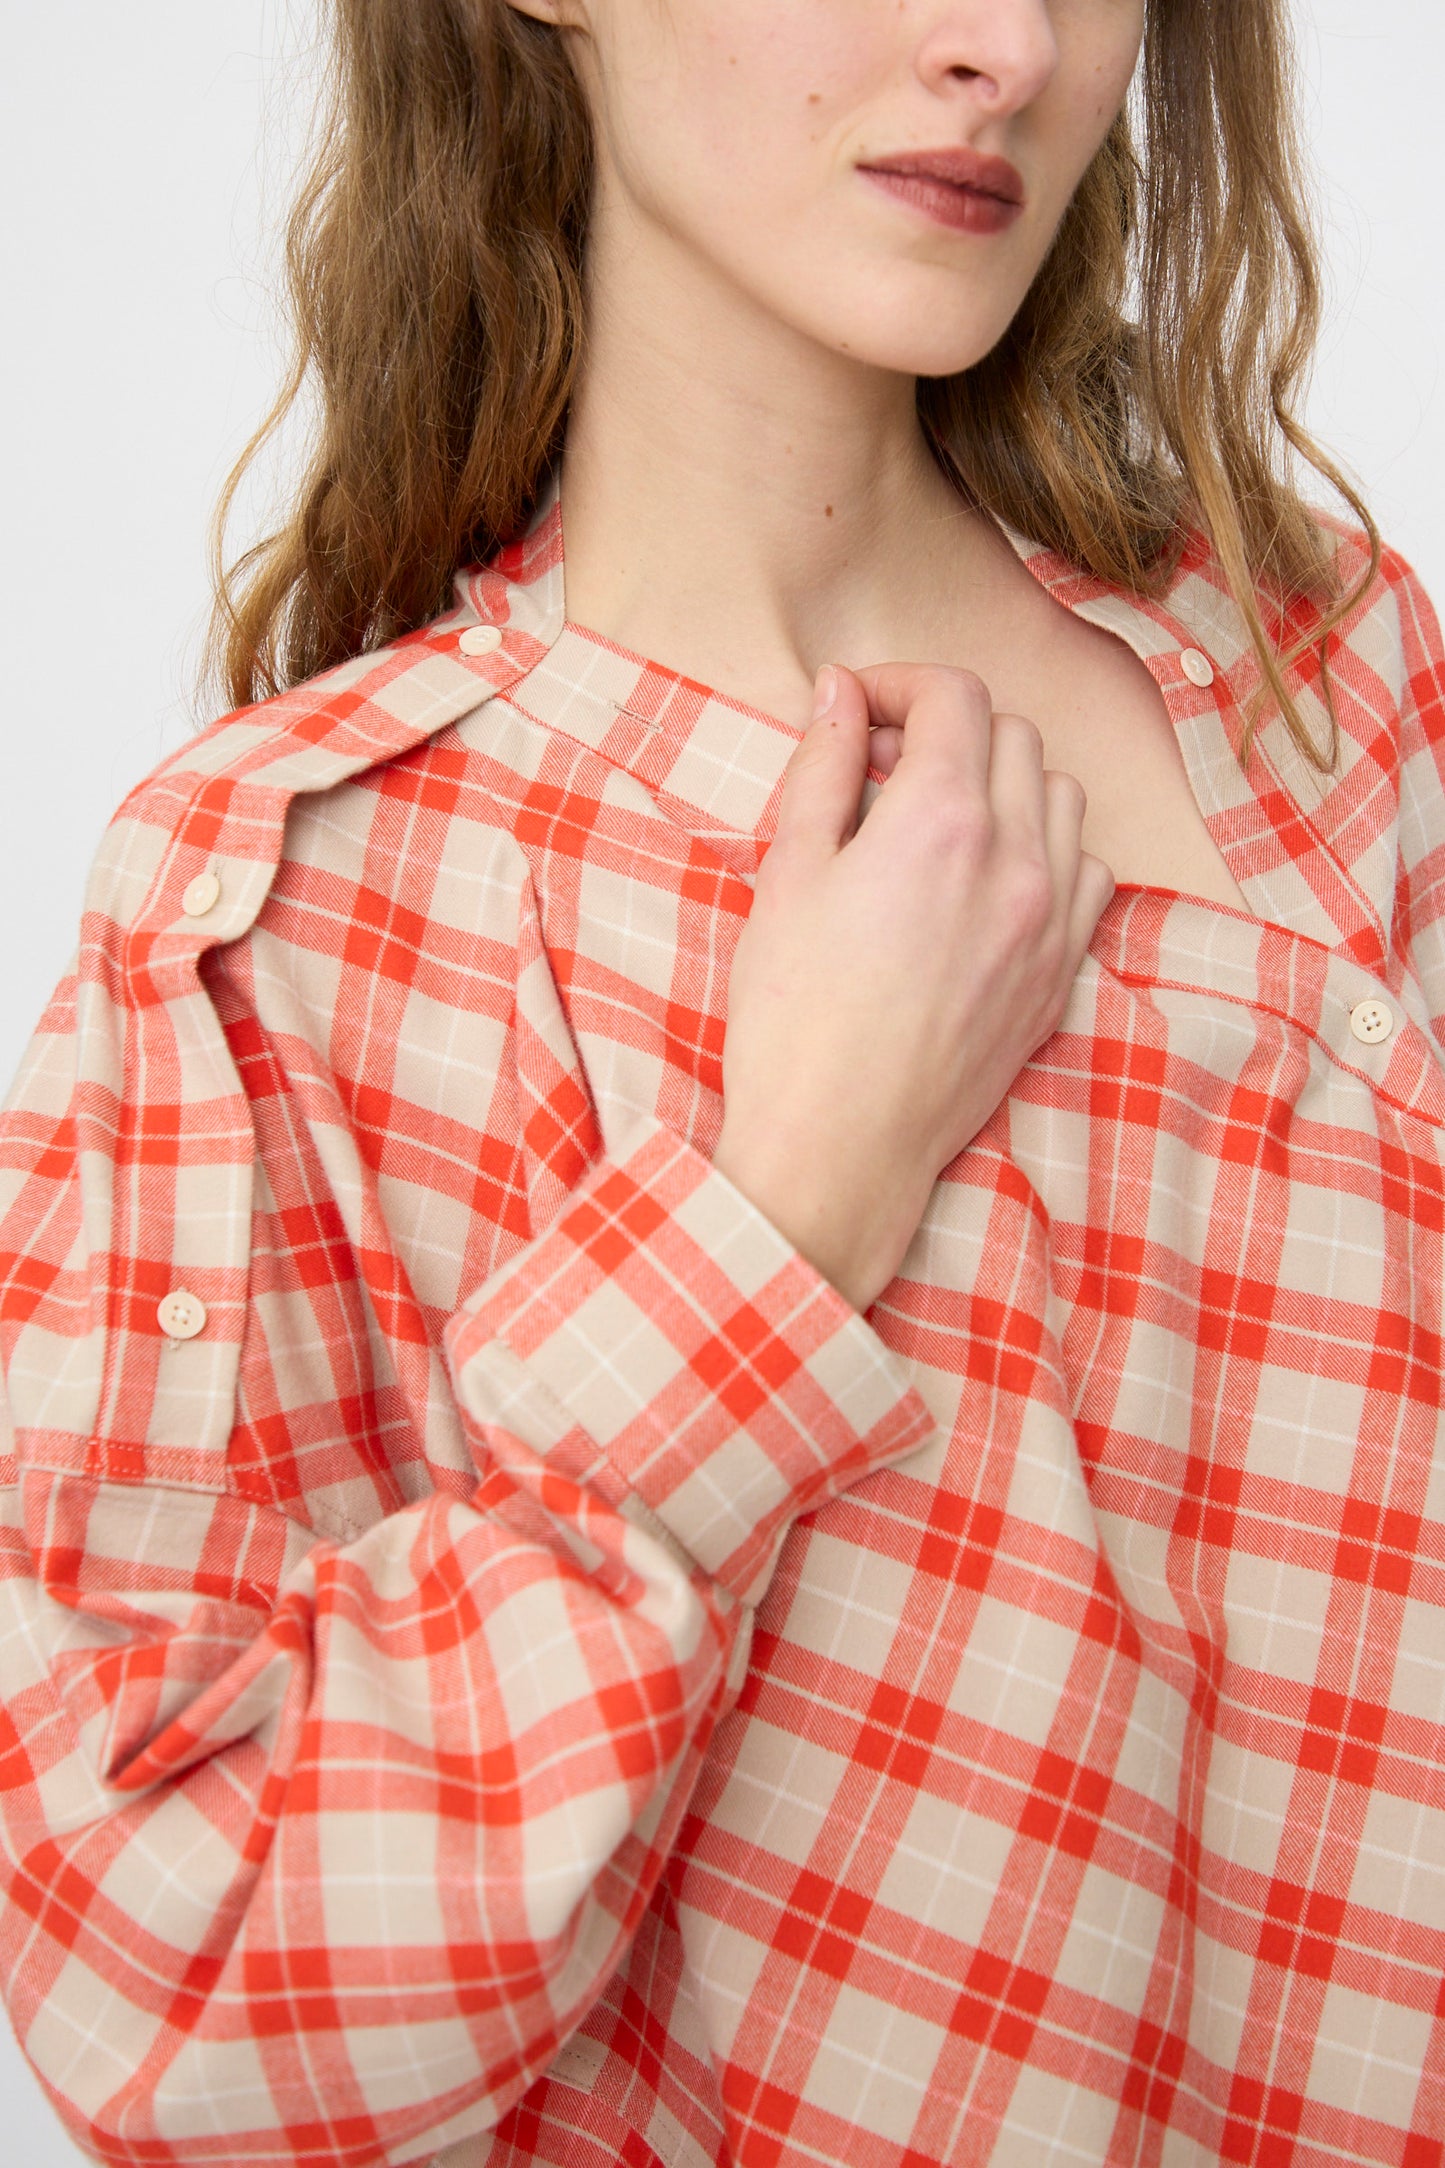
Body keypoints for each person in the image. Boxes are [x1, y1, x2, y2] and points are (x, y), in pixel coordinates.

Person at [1, 1, 1441, 2164]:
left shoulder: (1326, 689)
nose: (1007, 45)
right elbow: (179, 1996)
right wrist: (778, 1213)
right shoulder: (284, 910)